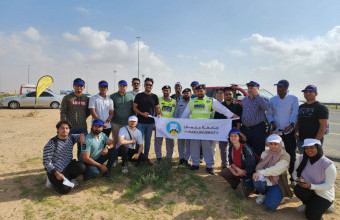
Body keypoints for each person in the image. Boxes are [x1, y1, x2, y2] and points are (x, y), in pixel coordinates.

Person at [181, 84, 238, 175]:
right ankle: (195, 164)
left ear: (205, 91)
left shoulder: (210, 101)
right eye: (198, 91)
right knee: (194, 146)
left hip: (206, 130)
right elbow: (185, 114)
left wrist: (232, 115)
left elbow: (222, 109)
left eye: (201, 91)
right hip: (194, 129)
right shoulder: (192, 101)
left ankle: (209, 166)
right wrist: (180, 122)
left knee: (207, 147)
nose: (199, 93)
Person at [293, 139, 336, 220]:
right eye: (306, 148)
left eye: (312, 147)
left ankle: (327, 206)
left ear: (318, 148)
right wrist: (297, 179)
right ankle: (307, 204)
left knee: (312, 216)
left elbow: (329, 185)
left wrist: (311, 186)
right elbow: (294, 173)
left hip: (323, 194)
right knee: (298, 189)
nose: (309, 150)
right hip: (308, 190)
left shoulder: (328, 164)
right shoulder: (301, 159)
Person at [266, 80, 299, 180]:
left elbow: (295, 114)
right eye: (277, 87)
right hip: (276, 132)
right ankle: (275, 175)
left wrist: (291, 125)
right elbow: (269, 113)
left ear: (286, 88)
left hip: (288, 131)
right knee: (274, 153)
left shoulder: (293, 99)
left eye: (281, 87)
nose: (278, 89)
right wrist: (272, 123)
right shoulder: (272, 99)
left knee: (291, 154)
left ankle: (292, 176)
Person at [43, 121, 86, 194]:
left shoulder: (71, 137)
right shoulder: (51, 144)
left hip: (67, 165)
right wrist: (56, 174)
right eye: (62, 128)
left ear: (69, 130)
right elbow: (46, 162)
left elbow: (81, 135)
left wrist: (82, 135)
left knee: (82, 167)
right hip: (56, 170)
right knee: (65, 190)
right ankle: (51, 180)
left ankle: (68, 178)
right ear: (57, 129)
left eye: (67, 128)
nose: (65, 130)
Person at [253, 134, 292, 210]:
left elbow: (276, 170)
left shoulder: (285, 155)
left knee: (270, 206)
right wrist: (259, 173)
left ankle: (278, 195)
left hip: (278, 182)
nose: (273, 146)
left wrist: (261, 173)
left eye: (276, 144)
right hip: (266, 178)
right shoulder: (265, 153)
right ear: (268, 144)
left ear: (280, 144)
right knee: (257, 179)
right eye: (271, 144)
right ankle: (263, 193)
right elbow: (259, 167)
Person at [220, 129, 256, 198]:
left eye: (235, 136)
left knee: (241, 195)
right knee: (224, 172)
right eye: (231, 136)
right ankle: (237, 185)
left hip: (247, 174)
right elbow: (231, 162)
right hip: (238, 171)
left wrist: (242, 172)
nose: (233, 138)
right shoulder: (231, 147)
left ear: (239, 137)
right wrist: (237, 170)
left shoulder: (245, 148)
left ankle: (251, 187)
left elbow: (251, 165)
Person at [60, 78, 90, 157]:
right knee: (66, 148)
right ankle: (67, 165)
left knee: (82, 149)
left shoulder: (86, 99)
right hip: (70, 127)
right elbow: (63, 112)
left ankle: (80, 165)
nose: (79, 88)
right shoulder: (67, 98)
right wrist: (63, 126)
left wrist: (82, 118)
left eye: (81, 86)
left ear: (84, 87)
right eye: (77, 86)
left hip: (82, 127)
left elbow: (88, 112)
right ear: (73, 86)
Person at [133, 78, 160, 163]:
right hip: (140, 122)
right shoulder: (139, 96)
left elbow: (157, 109)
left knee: (147, 141)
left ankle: (145, 158)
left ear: (152, 86)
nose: (148, 86)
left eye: (150, 85)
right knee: (138, 141)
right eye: (147, 84)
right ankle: (138, 158)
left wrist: (159, 113)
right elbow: (134, 108)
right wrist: (142, 114)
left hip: (150, 123)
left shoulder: (154, 97)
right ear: (144, 85)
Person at [295, 85, 329, 153]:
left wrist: (315, 141)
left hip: (313, 141)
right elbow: (298, 120)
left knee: (314, 161)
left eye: (311, 92)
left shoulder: (321, 107)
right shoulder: (301, 107)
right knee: (304, 160)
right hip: (301, 141)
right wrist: (296, 131)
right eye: (305, 92)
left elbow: (323, 126)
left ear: (316, 94)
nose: (307, 93)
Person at [214, 87, 242, 169]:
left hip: (233, 130)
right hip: (222, 131)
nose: (228, 95)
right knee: (223, 148)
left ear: (233, 95)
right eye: (226, 94)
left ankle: (234, 164)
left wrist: (238, 131)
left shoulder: (237, 106)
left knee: (234, 148)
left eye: (230, 94)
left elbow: (239, 120)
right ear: (224, 95)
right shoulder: (220, 106)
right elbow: (216, 120)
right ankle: (224, 164)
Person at [241, 81, 271, 157]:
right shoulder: (244, 100)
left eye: (252, 88)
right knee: (246, 150)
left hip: (258, 129)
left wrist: (257, 95)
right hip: (245, 129)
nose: (250, 90)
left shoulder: (263, 99)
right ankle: (249, 167)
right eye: (248, 88)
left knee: (258, 151)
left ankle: (258, 168)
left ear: (257, 88)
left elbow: (266, 107)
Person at [155, 85, 176, 163]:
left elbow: (175, 113)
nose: (165, 92)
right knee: (158, 142)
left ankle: (169, 157)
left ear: (170, 91)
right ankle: (158, 157)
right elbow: (157, 110)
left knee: (170, 142)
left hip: (170, 125)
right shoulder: (159, 100)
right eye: (164, 90)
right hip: (160, 125)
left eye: (167, 90)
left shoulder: (174, 101)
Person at [110, 80, 135, 145]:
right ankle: (115, 155)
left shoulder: (131, 97)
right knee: (116, 140)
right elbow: (110, 109)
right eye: (120, 86)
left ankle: (125, 155)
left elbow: (134, 110)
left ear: (126, 87)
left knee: (127, 141)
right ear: (118, 86)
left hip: (127, 123)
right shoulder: (113, 96)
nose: (122, 87)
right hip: (115, 123)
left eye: (124, 86)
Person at [174, 88, 192, 165]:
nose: (186, 95)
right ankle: (181, 158)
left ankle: (187, 159)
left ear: (190, 94)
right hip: (180, 126)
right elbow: (176, 113)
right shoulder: (179, 102)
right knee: (180, 143)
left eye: (187, 93)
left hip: (190, 126)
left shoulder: (193, 102)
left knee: (188, 143)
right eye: (184, 93)